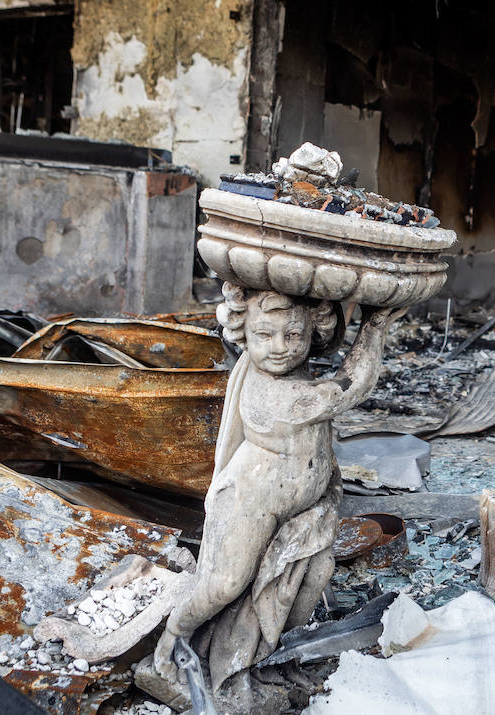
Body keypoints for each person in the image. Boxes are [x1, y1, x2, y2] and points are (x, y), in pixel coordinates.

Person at [154, 284, 401, 689]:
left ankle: (280, 655)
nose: (280, 347)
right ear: (244, 335)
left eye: (294, 335)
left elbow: (330, 345)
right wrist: (374, 330)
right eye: (264, 335)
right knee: (225, 584)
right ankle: (171, 640)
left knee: (315, 572)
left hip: (307, 502)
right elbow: (351, 387)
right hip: (254, 499)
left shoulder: (294, 370)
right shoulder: (278, 391)